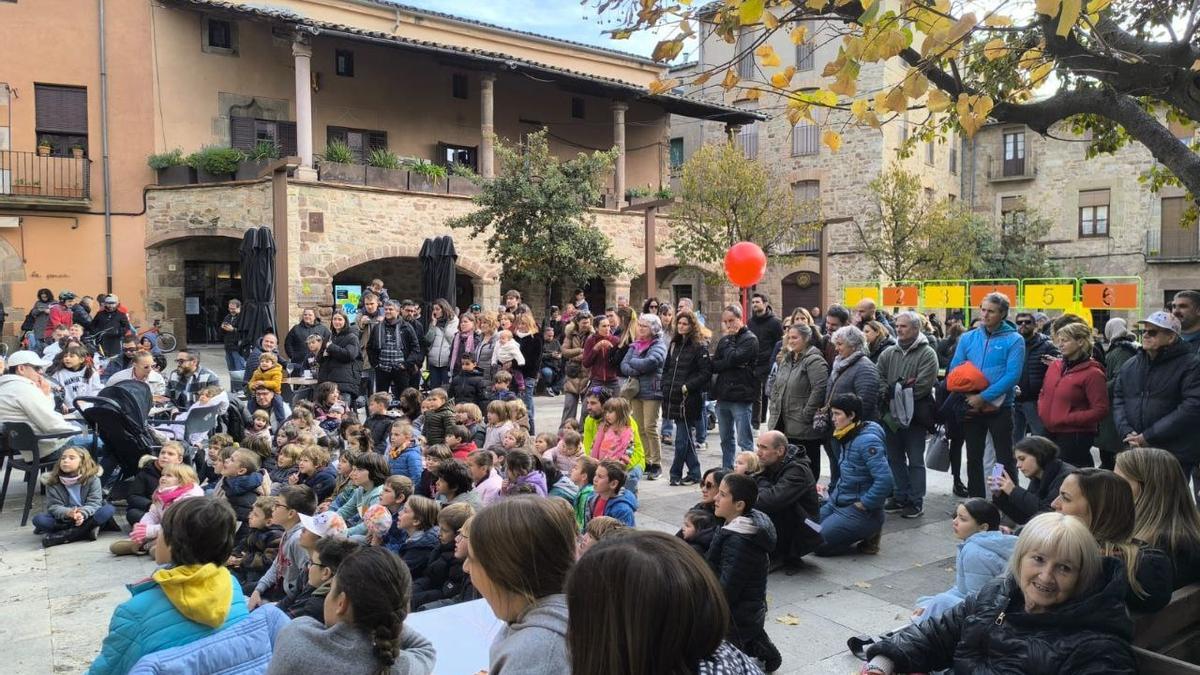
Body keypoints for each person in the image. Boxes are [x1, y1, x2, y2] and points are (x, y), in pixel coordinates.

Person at [861, 511, 1136, 674]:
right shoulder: (998, 594)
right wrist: (882, 662)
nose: (1046, 576)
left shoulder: (1098, 645)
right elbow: (935, 633)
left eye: (1064, 568)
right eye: (1038, 559)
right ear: (1020, 558)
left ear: (1081, 576)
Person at [89, 497, 250, 675]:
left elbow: (107, 669)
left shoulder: (134, 612)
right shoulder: (231, 584)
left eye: (162, 531)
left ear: (174, 543)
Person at [267, 546, 436, 675]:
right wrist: (387, 614)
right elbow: (426, 650)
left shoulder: (296, 635)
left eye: (330, 589)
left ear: (341, 602)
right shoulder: (397, 666)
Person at [466, 497, 574, 675]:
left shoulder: (535, 655)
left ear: (503, 569)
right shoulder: (555, 616)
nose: (465, 568)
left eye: (471, 559)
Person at [1052, 467, 1174, 612]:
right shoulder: (1142, 562)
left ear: (1099, 509)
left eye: (1065, 497)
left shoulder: (1088, 564)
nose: (1054, 504)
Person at [949, 292, 1025, 497]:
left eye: (991, 311)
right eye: (983, 309)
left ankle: (1006, 501)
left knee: (1003, 459)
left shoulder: (1014, 340)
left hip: (1000, 407)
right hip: (971, 404)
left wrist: (983, 396)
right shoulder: (968, 337)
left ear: (1003, 314)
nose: (985, 315)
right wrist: (970, 394)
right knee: (974, 457)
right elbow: (955, 369)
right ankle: (977, 502)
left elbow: (1012, 376)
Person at [1112, 310, 1200, 488]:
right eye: (1143, 331)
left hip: (1173, 453)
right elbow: (1119, 398)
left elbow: (1192, 406)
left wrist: (1149, 435)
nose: (1145, 335)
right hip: (1136, 448)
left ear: (1171, 337)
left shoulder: (1191, 364)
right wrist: (1127, 432)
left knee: (1166, 507)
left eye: (1153, 332)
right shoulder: (1131, 364)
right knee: (1136, 504)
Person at [704, 473, 782, 672]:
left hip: (737, 615)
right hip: (746, 610)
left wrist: (708, 608)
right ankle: (761, 647)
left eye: (722, 495)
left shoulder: (740, 540)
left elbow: (728, 588)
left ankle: (758, 649)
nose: (715, 498)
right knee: (749, 633)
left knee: (728, 656)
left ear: (739, 505)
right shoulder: (737, 524)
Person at [911, 499, 1016, 623]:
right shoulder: (982, 543)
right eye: (956, 516)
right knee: (930, 602)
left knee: (941, 602)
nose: (954, 522)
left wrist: (936, 605)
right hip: (986, 605)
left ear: (983, 527)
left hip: (991, 614)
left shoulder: (975, 553)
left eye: (962, 519)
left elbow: (979, 602)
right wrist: (929, 605)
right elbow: (962, 589)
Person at [876, 311, 939, 518]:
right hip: (890, 417)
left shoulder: (927, 353)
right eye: (898, 325)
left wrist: (896, 391)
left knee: (915, 460)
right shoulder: (888, 353)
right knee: (894, 458)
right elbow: (879, 378)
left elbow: (922, 386)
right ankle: (899, 495)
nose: (899, 329)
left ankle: (915, 501)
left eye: (903, 326)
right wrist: (895, 389)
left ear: (915, 329)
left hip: (915, 417)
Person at [817, 393, 892, 557]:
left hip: (859, 509)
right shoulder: (846, 434)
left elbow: (885, 480)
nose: (833, 419)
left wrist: (865, 503)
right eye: (832, 413)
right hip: (839, 501)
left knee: (818, 544)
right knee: (805, 531)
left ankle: (869, 533)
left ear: (851, 416)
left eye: (837, 414)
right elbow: (847, 475)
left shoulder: (867, 441)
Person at [1115, 447, 1200, 588]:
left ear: (1146, 489)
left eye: (1119, 483)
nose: (1113, 490)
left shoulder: (1153, 555)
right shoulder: (1188, 535)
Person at [1037, 322, 1108, 467]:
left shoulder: (1093, 373)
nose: (1060, 345)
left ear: (1080, 341)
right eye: (1059, 341)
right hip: (1049, 430)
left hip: (1074, 434)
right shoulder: (1055, 366)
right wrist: (1042, 408)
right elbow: (1044, 391)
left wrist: (1068, 417)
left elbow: (1101, 409)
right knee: (1044, 473)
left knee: (1072, 477)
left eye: (1065, 340)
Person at [752, 430, 820, 574]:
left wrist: (759, 479)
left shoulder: (798, 471)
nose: (758, 453)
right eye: (758, 447)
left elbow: (771, 501)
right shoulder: (774, 463)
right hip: (793, 520)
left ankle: (780, 554)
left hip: (806, 528)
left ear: (780, 450)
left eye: (764, 448)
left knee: (765, 505)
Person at [767, 322, 828, 479]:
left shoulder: (814, 360)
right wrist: (774, 405)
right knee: (788, 466)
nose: (791, 341)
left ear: (806, 338)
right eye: (789, 337)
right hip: (784, 422)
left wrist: (806, 414)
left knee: (808, 465)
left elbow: (819, 389)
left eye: (795, 338)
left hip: (803, 426)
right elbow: (777, 385)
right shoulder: (787, 358)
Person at [822, 326, 879, 487]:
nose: (836, 348)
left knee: (849, 469)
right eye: (836, 344)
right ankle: (836, 494)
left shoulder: (864, 367)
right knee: (836, 466)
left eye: (840, 344)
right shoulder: (841, 364)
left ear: (853, 345)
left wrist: (849, 428)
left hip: (850, 431)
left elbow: (865, 402)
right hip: (836, 427)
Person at [0, 350, 82, 462]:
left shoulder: (5, 387)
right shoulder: (25, 389)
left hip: (29, 448)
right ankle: (101, 478)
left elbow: (45, 415)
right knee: (103, 440)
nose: (41, 372)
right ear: (21, 369)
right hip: (48, 448)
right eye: (37, 368)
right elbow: (52, 425)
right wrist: (81, 431)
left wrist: (46, 395)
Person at [662, 309, 712, 486]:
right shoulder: (674, 344)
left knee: (682, 439)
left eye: (685, 324)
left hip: (688, 399)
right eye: (680, 324)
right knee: (686, 439)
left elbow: (705, 372)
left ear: (692, 326)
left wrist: (687, 386)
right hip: (673, 396)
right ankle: (695, 472)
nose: (682, 327)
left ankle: (675, 473)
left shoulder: (699, 346)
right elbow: (667, 368)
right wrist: (665, 385)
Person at [33, 446, 116, 547]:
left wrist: (82, 514)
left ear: (82, 462)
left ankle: (65, 535)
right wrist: (68, 513)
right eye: (63, 458)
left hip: (87, 516)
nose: (65, 461)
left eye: (71, 458)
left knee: (108, 509)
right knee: (39, 519)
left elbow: (94, 503)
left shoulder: (93, 479)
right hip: (64, 519)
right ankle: (86, 530)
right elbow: (54, 507)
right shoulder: (52, 481)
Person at [619, 313, 667, 480]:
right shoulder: (635, 345)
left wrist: (634, 364)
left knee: (650, 427)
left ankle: (656, 463)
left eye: (644, 326)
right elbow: (623, 365)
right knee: (639, 427)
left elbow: (652, 362)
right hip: (636, 391)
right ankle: (646, 460)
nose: (640, 328)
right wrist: (636, 368)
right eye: (639, 325)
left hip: (652, 391)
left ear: (653, 329)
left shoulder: (658, 344)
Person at [713, 305, 759, 470]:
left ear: (741, 319)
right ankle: (727, 469)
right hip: (723, 394)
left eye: (731, 320)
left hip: (741, 395)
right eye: (725, 322)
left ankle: (750, 469)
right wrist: (730, 362)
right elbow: (715, 365)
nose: (728, 325)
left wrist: (731, 349)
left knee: (744, 439)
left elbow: (734, 358)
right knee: (726, 438)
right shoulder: (724, 340)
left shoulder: (750, 339)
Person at [992, 435, 1075, 525]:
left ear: (1039, 455)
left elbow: (1048, 513)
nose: (1018, 465)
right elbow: (1025, 516)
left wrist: (1013, 490)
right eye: (1017, 460)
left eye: (1022, 459)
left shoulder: (1065, 476)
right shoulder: (1038, 476)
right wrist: (1000, 496)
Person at [1013, 311, 1060, 439]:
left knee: (1040, 438)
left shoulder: (1047, 345)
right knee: (1014, 441)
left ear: (1035, 325)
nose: (1023, 324)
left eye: (1027, 322)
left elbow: (1060, 367)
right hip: (1013, 399)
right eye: (1019, 322)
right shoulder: (1012, 343)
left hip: (1035, 400)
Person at [368, 300, 422, 398]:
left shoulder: (406, 327)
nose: (387, 311)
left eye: (391, 309)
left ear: (397, 311)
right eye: (386, 309)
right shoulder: (377, 327)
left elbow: (415, 348)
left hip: (401, 369)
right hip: (382, 369)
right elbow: (370, 347)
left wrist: (406, 364)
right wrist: (375, 364)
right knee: (381, 398)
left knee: (404, 398)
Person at [747, 293, 784, 428]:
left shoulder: (775, 322)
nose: (755, 304)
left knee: (769, 393)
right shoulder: (750, 322)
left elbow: (780, 342)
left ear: (765, 303)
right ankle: (757, 422)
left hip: (768, 363)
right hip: (754, 362)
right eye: (753, 302)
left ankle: (768, 421)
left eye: (757, 302)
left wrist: (774, 360)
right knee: (756, 394)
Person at [317, 310, 360, 407]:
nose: (337, 322)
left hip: (344, 382)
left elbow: (350, 355)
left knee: (341, 411)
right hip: (327, 381)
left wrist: (331, 347)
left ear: (345, 321)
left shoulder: (352, 337)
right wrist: (322, 355)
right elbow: (319, 358)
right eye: (335, 319)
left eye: (340, 319)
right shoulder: (329, 336)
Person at [559, 310, 594, 424]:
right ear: (578, 322)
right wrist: (580, 351)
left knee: (586, 410)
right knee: (569, 407)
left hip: (587, 375)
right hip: (572, 375)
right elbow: (564, 351)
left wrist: (578, 355)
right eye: (583, 323)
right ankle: (564, 434)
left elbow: (592, 354)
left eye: (588, 323)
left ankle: (582, 434)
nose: (586, 325)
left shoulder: (593, 336)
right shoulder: (571, 334)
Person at [424, 298, 459, 389]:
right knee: (434, 389)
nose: (435, 312)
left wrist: (446, 327)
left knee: (446, 389)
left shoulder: (454, 321)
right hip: (433, 361)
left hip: (447, 362)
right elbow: (428, 340)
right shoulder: (434, 322)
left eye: (437, 309)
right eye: (433, 309)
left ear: (444, 309)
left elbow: (452, 338)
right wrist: (433, 326)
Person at [581, 315, 620, 395]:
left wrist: (612, 350)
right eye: (604, 326)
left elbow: (619, 361)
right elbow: (586, 363)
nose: (607, 329)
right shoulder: (590, 340)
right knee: (587, 406)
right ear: (596, 328)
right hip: (597, 380)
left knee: (617, 406)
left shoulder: (616, 340)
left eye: (608, 326)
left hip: (613, 380)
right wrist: (596, 348)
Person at [220, 299, 243, 374]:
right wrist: (222, 328)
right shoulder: (228, 317)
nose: (231, 310)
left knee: (239, 371)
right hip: (228, 347)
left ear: (239, 308)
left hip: (238, 348)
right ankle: (234, 385)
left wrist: (233, 330)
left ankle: (240, 386)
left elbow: (246, 333)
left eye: (233, 309)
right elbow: (221, 333)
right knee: (232, 372)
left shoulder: (243, 318)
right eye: (230, 308)